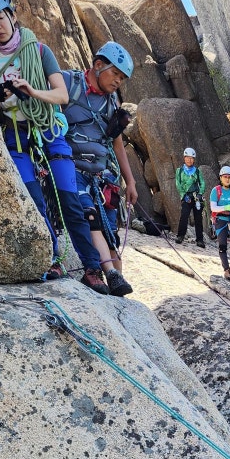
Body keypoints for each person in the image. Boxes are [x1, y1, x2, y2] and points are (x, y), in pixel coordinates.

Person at [0, 0, 112, 295]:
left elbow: (61, 94)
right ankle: (54, 258)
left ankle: (92, 269)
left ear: (11, 15)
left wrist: (32, 92)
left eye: (0, 17)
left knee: (70, 200)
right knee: (35, 201)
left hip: (48, 130)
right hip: (16, 136)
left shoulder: (39, 51)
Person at [60, 41, 140, 296]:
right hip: (73, 169)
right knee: (90, 216)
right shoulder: (69, 83)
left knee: (110, 229)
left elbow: (117, 144)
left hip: (103, 175)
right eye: (115, 74)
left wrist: (131, 181)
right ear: (98, 65)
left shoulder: (111, 102)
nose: (118, 81)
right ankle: (110, 274)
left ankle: (118, 281)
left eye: (122, 77)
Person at [175, 147, 206, 247]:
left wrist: (200, 194)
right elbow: (178, 184)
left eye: (191, 158)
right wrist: (184, 196)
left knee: (198, 218)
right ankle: (180, 236)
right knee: (184, 216)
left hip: (196, 197)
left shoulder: (197, 171)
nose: (189, 160)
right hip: (186, 197)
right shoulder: (179, 171)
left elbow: (202, 183)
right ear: (184, 158)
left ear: (194, 159)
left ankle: (200, 240)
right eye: (187, 157)